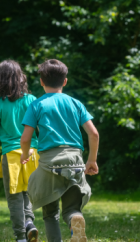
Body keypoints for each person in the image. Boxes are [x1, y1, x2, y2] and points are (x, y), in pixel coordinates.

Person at [20, 59, 99, 242]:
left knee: (50, 213)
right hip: (76, 161)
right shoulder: (76, 104)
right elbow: (93, 134)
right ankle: (74, 220)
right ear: (65, 81)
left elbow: (25, 138)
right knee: (72, 209)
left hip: (50, 163)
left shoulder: (36, 105)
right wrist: (92, 160)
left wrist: (25, 154)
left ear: (41, 81)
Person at [0, 60, 40, 242]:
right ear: (20, 78)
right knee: (28, 193)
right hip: (32, 153)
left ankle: (21, 237)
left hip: (11, 156)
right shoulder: (31, 100)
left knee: (14, 198)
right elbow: (42, 128)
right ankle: (29, 223)